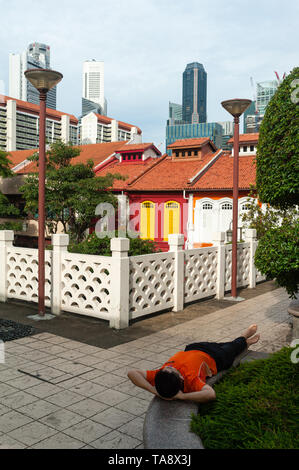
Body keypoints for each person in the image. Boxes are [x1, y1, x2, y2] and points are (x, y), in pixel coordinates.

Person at [127, 324, 260, 403]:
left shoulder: (161, 375)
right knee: (231, 348)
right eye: (171, 369)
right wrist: (183, 396)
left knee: (225, 344)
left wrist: (154, 391)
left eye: (166, 368)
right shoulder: (191, 380)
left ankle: (243, 343)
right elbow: (210, 394)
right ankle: (244, 337)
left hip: (193, 348)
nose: (168, 366)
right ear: (180, 378)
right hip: (216, 358)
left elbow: (132, 373)